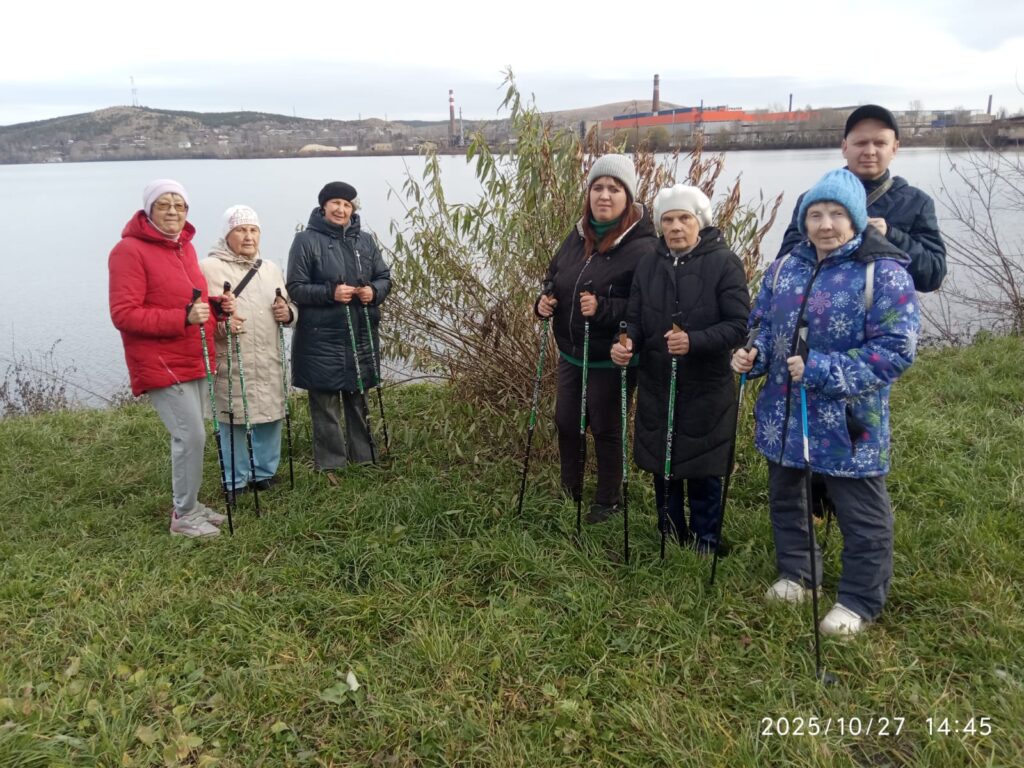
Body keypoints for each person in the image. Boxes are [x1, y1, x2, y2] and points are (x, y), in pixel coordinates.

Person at [733, 169, 919, 636]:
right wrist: (750, 354)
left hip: (849, 419)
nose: (825, 225)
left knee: (861, 511)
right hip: (784, 413)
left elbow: (896, 349)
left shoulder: (885, 273)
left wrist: (819, 369)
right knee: (787, 498)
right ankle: (800, 574)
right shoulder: (782, 269)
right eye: (815, 214)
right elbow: (760, 324)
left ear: (855, 220)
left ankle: (859, 599)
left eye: (837, 214)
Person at [611, 184, 749, 554]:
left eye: (684, 218)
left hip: (706, 384)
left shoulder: (724, 262)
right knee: (664, 462)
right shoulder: (649, 263)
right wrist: (627, 344)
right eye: (667, 219)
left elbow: (739, 325)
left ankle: (707, 539)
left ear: (700, 222)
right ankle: (670, 533)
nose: (675, 227)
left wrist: (694, 341)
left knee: (704, 466)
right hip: (658, 380)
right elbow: (634, 318)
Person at [109, 179, 235, 538]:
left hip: (192, 354)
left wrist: (214, 308)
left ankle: (191, 506)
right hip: (161, 361)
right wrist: (182, 316)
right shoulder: (128, 251)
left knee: (196, 435)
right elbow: (124, 314)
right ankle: (183, 517)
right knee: (190, 435)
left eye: (179, 205)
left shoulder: (185, 248)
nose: (172, 212)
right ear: (148, 211)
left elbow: (188, 301)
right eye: (163, 205)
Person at [535, 154, 657, 523]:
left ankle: (608, 500)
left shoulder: (644, 246)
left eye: (614, 189)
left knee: (606, 428)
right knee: (567, 421)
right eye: (598, 188)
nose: (604, 196)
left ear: (628, 196)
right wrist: (542, 302)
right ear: (589, 193)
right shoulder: (577, 235)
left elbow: (647, 308)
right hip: (572, 352)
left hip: (611, 357)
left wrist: (603, 308)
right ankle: (569, 488)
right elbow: (554, 276)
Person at [777, 104, 946, 294]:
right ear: (844, 147)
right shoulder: (812, 200)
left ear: (895, 148)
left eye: (880, 143)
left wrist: (891, 235)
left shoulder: (916, 203)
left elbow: (933, 276)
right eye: (860, 143)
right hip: (820, 313)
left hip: (886, 316)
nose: (870, 151)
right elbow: (784, 266)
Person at [286, 182, 391, 483]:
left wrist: (373, 291)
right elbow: (295, 287)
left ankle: (365, 457)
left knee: (358, 396)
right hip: (321, 336)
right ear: (323, 207)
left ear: (352, 210)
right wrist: (331, 292)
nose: (341, 209)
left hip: (359, 331)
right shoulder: (305, 241)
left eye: (347, 205)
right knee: (326, 401)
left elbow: (384, 277)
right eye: (335, 203)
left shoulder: (366, 242)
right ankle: (331, 464)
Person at [200, 205, 297, 495]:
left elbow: (289, 306)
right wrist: (222, 325)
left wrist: (287, 313)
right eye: (240, 230)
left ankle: (264, 472)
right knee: (233, 418)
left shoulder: (270, 269)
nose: (248, 236)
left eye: (253, 230)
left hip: (268, 355)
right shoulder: (208, 268)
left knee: (270, 414)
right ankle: (235, 479)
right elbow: (200, 315)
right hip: (232, 357)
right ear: (227, 234)